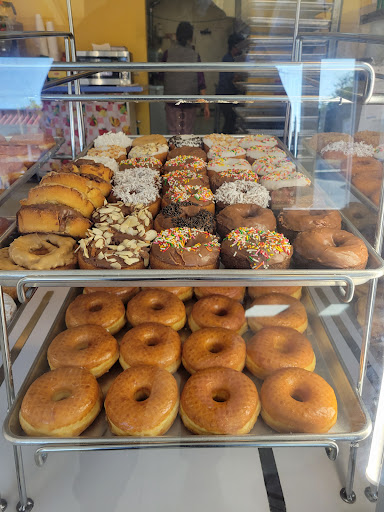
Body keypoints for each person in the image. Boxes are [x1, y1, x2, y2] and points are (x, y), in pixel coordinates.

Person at [162, 21, 210, 134]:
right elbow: (201, 83)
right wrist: (206, 106)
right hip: (190, 101)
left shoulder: (167, 54)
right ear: (191, 37)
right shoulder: (194, 55)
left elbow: (160, 75)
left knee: (173, 132)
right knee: (187, 133)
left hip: (172, 101)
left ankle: (175, 151)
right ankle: (186, 151)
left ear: (177, 36)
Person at [216, 33, 244, 134]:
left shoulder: (233, 58)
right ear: (234, 47)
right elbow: (233, 78)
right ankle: (224, 141)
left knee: (231, 120)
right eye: (240, 46)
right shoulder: (228, 59)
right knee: (230, 120)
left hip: (229, 95)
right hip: (225, 95)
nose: (241, 49)